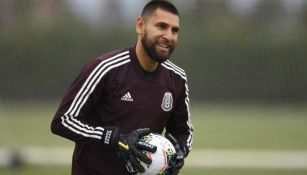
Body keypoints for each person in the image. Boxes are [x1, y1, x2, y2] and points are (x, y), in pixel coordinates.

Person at [51, 0, 193, 174]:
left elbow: (183, 131)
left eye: (174, 30)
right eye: (161, 26)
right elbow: (63, 121)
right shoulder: (105, 68)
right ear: (140, 25)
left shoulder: (177, 78)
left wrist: (179, 151)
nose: (169, 36)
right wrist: (113, 138)